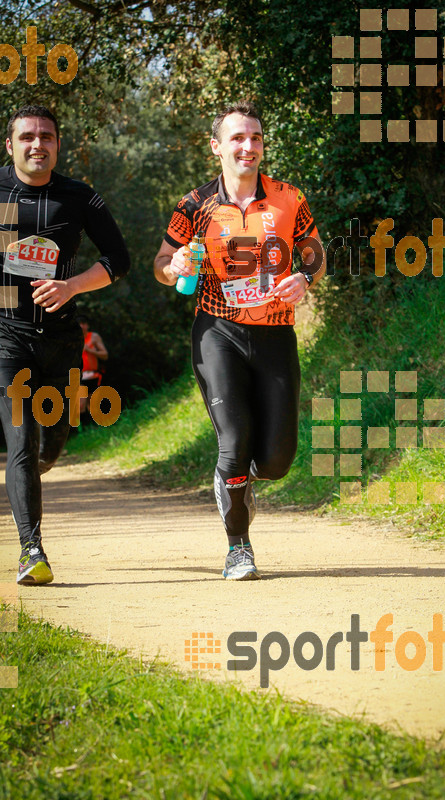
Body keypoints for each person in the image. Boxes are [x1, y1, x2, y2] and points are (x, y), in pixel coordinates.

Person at [154, 100, 325, 580]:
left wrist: (305, 279)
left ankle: (242, 481)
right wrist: (174, 268)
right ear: (217, 148)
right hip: (218, 332)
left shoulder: (290, 197)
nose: (247, 146)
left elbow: (315, 255)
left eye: (255, 138)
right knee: (234, 441)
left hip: (275, 334)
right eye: (237, 138)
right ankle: (238, 548)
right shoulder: (194, 204)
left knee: (275, 461)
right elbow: (162, 264)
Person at [0, 105, 130, 585]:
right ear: (10, 144)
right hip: (4, 339)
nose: (38, 144)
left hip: (59, 341)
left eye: (47, 137)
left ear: (58, 144)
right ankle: (31, 551)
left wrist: (72, 286)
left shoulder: (78, 197)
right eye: (27, 136)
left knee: (47, 446)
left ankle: (45, 458)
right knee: (20, 445)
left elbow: (119, 259)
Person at [78, 314, 108, 419]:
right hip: (79, 376)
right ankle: (81, 430)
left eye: (83, 323)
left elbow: (105, 355)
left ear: (87, 325)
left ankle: (97, 428)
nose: (81, 326)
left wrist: (89, 350)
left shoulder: (93, 337)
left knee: (92, 405)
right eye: (79, 324)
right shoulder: (75, 339)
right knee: (80, 405)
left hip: (93, 375)